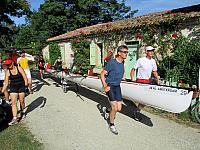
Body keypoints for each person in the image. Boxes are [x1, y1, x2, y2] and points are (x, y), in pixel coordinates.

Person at [100, 45, 128, 135]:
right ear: (119, 53)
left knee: (119, 108)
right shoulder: (112, 62)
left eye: (127, 52)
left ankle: (107, 110)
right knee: (114, 108)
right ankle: (111, 125)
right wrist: (105, 86)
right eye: (124, 52)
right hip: (110, 86)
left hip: (117, 87)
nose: (126, 54)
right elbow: (102, 74)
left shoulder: (122, 63)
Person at [130, 46, 160, 121]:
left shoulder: (153, 61)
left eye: (153, 51)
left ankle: (137, 110)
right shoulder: (141, 60)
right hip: (139, 81)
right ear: (146, 52)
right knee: (141, 98)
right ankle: (136, 111)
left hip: (147, 81)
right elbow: (133, 69)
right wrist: (132, 79)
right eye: (150, 51)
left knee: (145, 100)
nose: (152, 52)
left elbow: (154, 71)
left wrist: (158, 79)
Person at [2, 60, 28, 125]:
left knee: (22, 101)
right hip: (13, 87)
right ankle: (14, 118)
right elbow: (6, 83)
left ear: (12, 63)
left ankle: (22, 112)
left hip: (21, 86)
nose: (8, 66)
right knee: (14, 102)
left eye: (9, 64)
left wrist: (26, 86)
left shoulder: (19, 68)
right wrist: (2, 91)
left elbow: (25, 77)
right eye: (7, 65)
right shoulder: (7, 71)